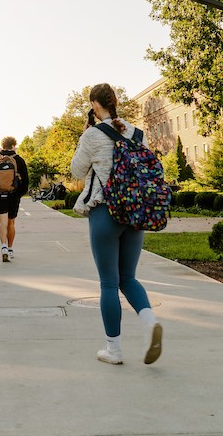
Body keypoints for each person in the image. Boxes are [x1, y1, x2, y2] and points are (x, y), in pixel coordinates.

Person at [70, 83, 163, 365]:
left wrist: (86, 135)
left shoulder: (93, 135)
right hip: (136, 212)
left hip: (105, 211)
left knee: (109, 283)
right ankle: (149, 322)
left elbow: (76, 170)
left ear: (95, 105)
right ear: (115, 102)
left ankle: (114, 349)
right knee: (129, 278)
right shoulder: (136, 132)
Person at [0, 136, 29, 262]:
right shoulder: (19, 160)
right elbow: (26, 181)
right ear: (13, 145)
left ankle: (3, 247)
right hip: (13, 195)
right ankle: (10, 249)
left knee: (3, 223)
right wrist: (19, 194)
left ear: (2, 145)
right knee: (11, 223)